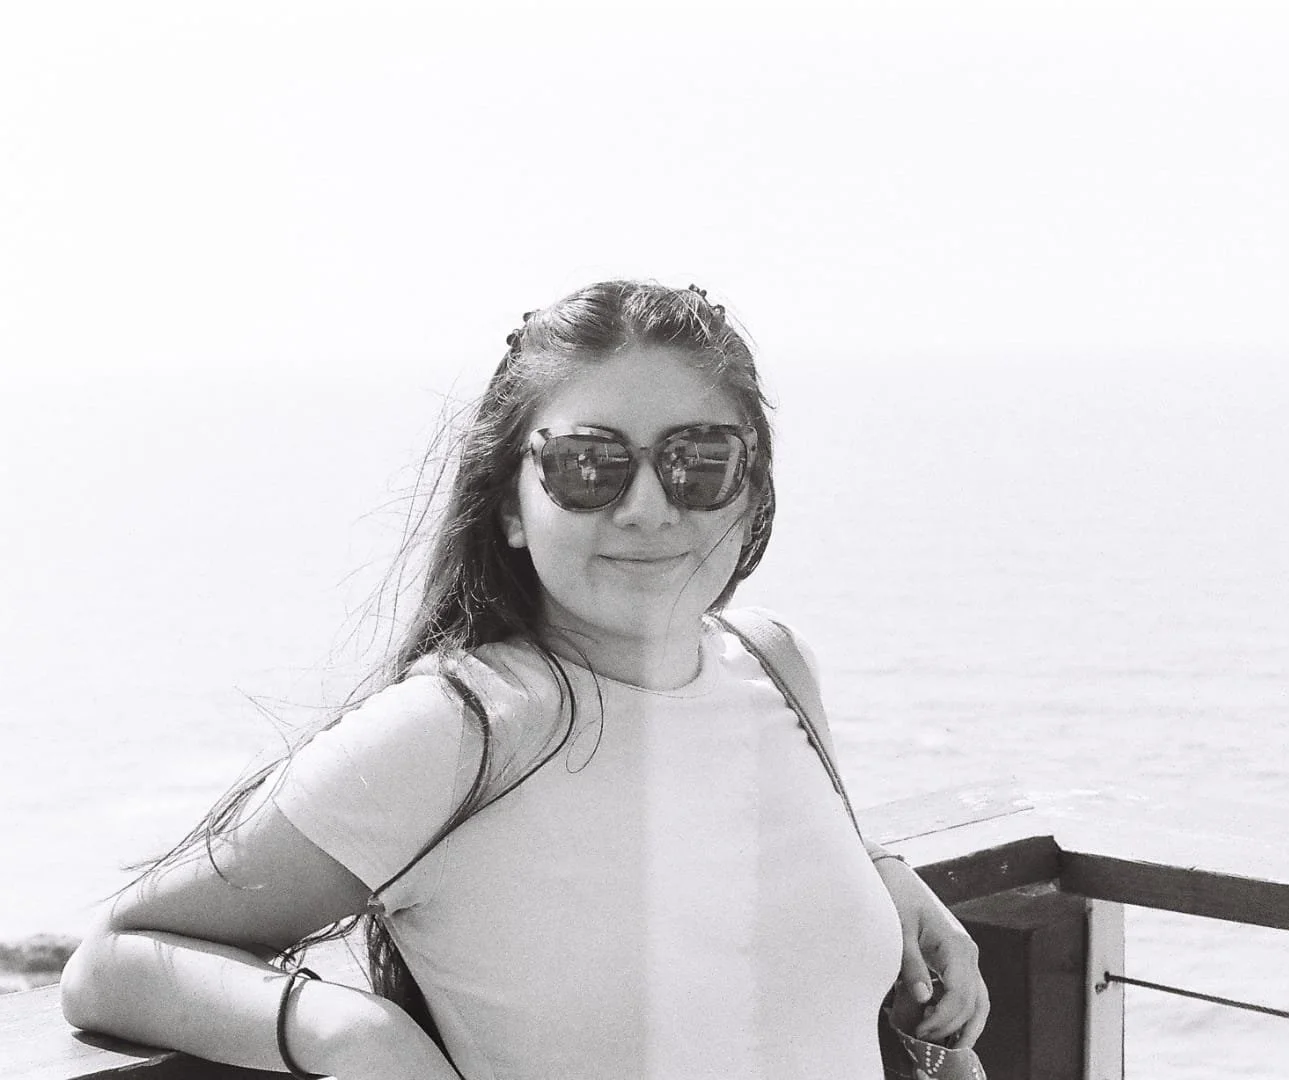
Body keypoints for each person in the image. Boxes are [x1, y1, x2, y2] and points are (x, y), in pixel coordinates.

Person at [59, 280, 989, 1079]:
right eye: (589, 465)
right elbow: (113, 960)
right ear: (512, 504)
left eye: (699, 462)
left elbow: (719, 858)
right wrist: (348, 1030)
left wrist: (877, 874)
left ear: (753, 487)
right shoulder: (459, 731)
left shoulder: (773, 664)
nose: (648, 507)